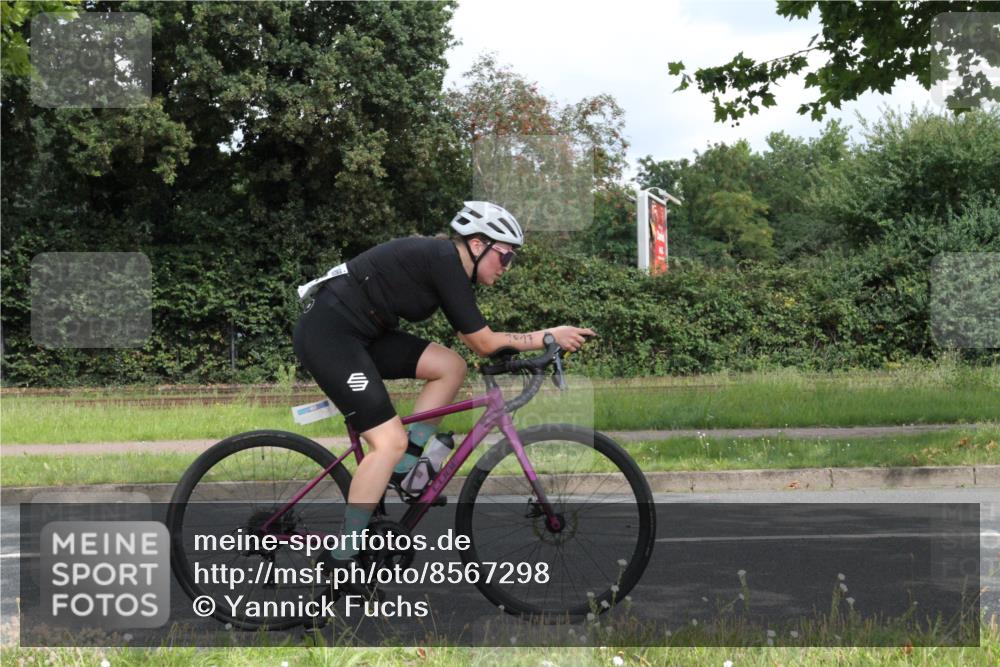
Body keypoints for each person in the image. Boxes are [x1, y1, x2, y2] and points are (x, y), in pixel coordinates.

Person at [292, 201, 595, 579]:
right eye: (505, 256)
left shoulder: (450, 269)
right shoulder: (444, 260)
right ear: (479, 244)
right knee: (388, 441)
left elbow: (475, 343)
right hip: (331, 335)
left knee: (450, 366)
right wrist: (549, 335)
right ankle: (342, 558)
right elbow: (484, 342)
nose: (507, 266)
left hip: (363, 334)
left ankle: (405, 469)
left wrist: (521, 351)